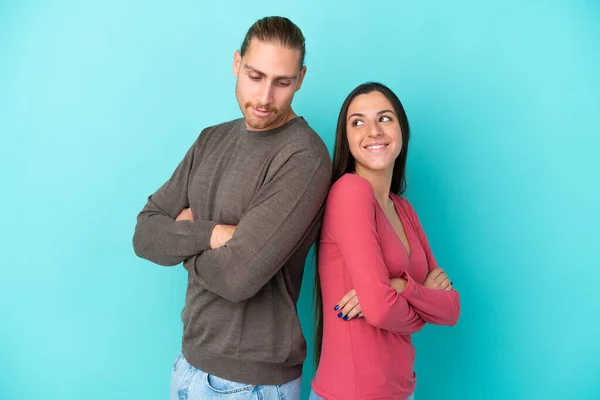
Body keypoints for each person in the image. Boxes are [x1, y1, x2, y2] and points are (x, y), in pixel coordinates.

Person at [132, 16, 331, 400]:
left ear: (301, 79)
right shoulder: (211, 140)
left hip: (252, 383)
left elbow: (238, 277)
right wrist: (213, 234)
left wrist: (183, 240)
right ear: (237, 63)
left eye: (282, 82)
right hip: (188, 364)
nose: (264, 97)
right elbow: (144, 234)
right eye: (255, 76)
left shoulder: (303, 157)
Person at [310, 82, 460, 400]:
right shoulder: (350, 191)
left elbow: (450, 309)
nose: (374, 131)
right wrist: (416, 296)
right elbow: (379, 311)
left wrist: (399, 287)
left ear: (401, 130)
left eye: (385, 118)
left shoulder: (403, 208)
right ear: (346, 139)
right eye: (358, 122)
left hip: (401, 390)